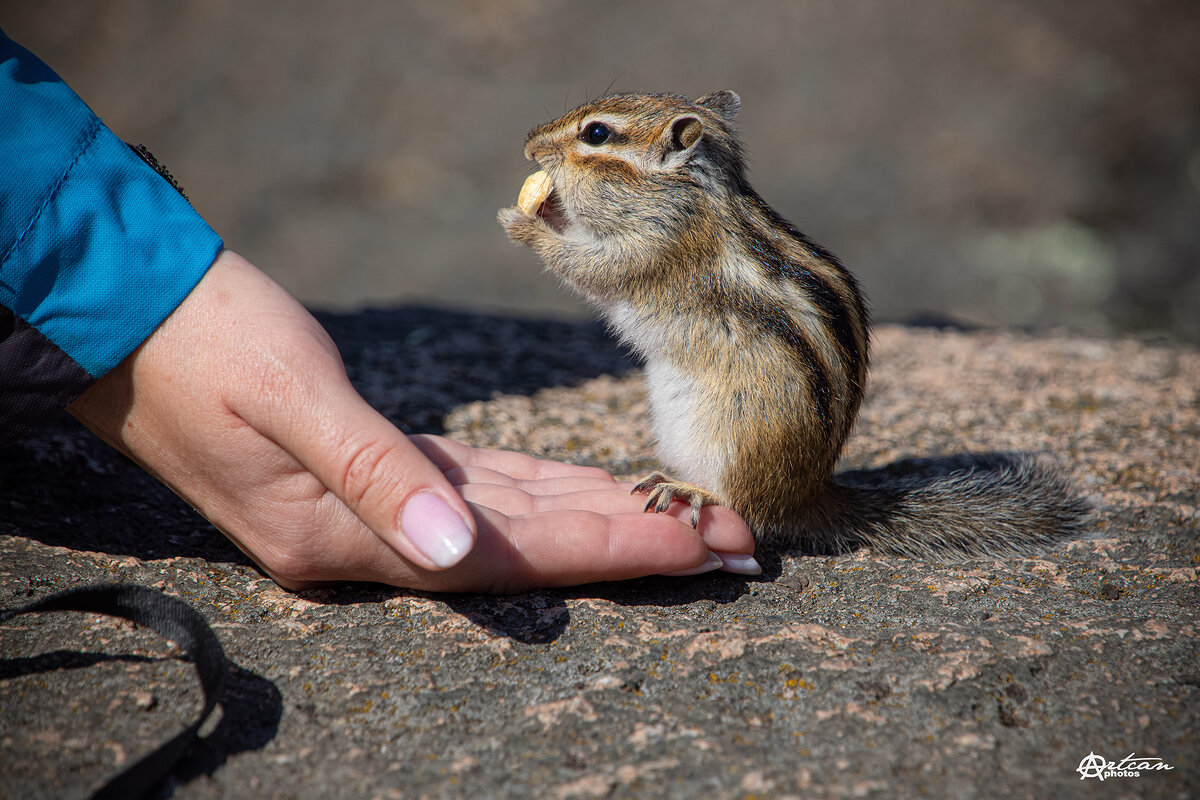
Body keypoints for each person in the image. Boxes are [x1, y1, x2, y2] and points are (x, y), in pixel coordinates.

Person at [0, 29, 759, 592]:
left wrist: (114, 293)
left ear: (677, 150)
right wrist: (138, 306)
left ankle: (740, 491)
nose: (544, 153)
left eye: (592, 140)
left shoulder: (684, 240)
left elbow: (627, 274)